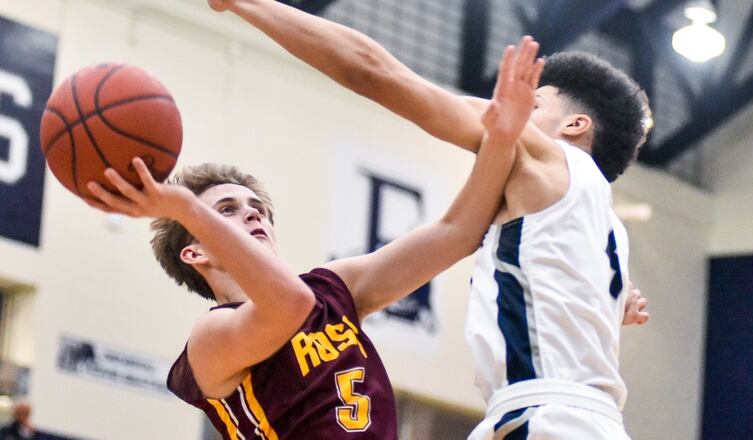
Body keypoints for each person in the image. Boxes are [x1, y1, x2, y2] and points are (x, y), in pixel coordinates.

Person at [203, 1, 650, 438]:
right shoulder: (607, 227)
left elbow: (372, 70)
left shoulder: (540, 154)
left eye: (532, 104)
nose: (512, 110)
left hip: (544, 418)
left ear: (574, 125)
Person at [83, 39, 545, 439]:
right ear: (195, 250)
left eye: (256, 208)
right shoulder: (211, 337)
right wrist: (183, 206)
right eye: (225, 211)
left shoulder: (331, 291)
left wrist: (501, 138)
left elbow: (455, 233)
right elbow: (288, 307)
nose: (250, 213)